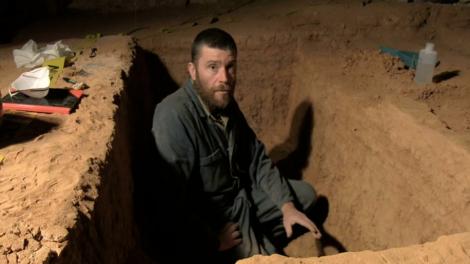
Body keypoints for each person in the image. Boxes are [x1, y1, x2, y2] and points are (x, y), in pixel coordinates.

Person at [152, 27, 321, 263]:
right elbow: (169, 201)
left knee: (306, 197)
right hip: (214, 218)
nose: (224, 78)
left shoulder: (222, 100)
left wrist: (287, 206)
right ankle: (245, 249)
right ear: (192, 70)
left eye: (230, 67)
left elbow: (256, 157)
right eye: (213, 67)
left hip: (241, 197)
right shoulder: (173, 116)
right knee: (264, 258)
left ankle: (258, 240)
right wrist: (212, 240)